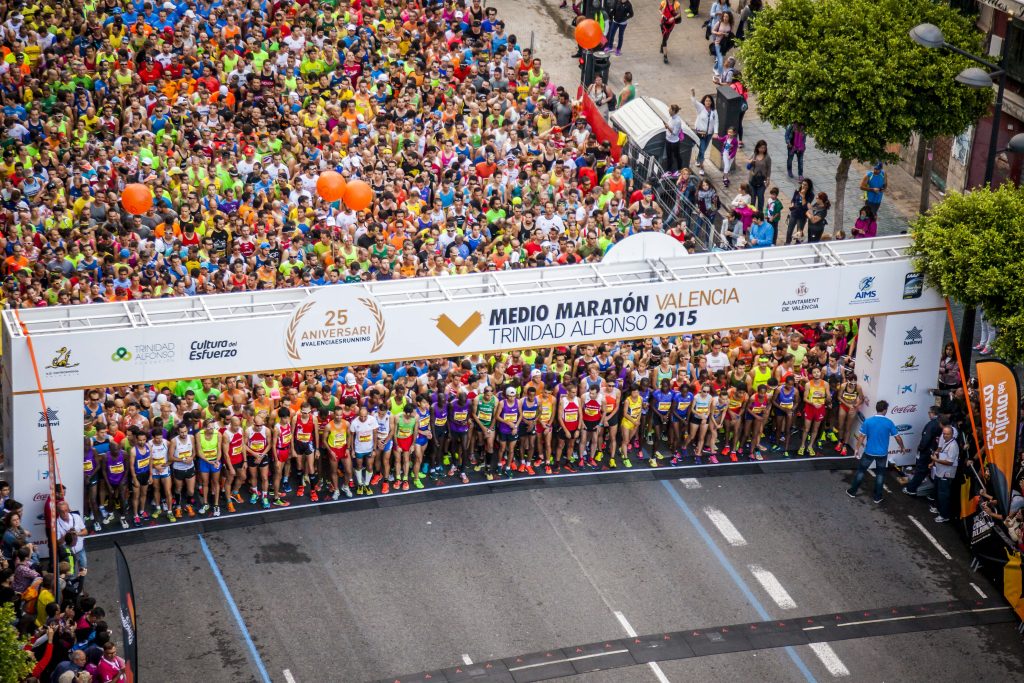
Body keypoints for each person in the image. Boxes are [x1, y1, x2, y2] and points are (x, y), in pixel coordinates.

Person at [847, 400, 908, 503]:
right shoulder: (889, 422)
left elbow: (861, 437)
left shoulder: (868, 421)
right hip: (882, 454)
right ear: (885, 410)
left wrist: (857, 449)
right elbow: (897, 438)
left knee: (861, 471)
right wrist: (902, 447)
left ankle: (852, 491)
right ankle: (877, 497)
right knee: (880, 475)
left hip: (869, 452)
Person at [930, 426, 960, 523]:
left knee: (943, 495)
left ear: (952, 434)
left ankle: (944, 515)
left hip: (946, 474)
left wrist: (935, 460)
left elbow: (950, 462)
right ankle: (939, 509)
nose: (945, 435)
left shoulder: (953, 446)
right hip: (940, 472)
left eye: (948, 434)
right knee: (939, 492)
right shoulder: (946, 442)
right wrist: (934, 462)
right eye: (944, 434)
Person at [690, 89, 719, 176]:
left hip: (709, 134)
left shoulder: (714, 111)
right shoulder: (701, 108)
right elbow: (694, 102)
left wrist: (716, 132)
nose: (708, 102)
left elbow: (716, 122)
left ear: (712, 102)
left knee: (704, 149)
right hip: (700, 133)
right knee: (702, 149)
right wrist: (693, 94)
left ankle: (698, 159)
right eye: (706, 101)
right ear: (704, 101)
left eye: (709, 101)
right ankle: (702, 167)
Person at [745, 140, 772, 212]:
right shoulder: (754, 154)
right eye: (761, 148)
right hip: (752, 179)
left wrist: (768, 179)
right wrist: (751, 162)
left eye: (764, 148)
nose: (763, 149)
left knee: (760, 197)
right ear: (757, 147)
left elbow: (769, 169)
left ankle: (760, 213)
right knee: (752, 198)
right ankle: (751, 213)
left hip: (762, 181)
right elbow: (748, 164)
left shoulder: (767, 158)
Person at [664, 104, 685, 174]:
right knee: (669, 156)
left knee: (677, 156)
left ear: (673, 111)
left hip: (674, 142)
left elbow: (675, 133)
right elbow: (669, 127)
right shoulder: (671, 118)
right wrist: (667, 127)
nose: (668, 110)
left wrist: (668, 127)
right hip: (668, 139)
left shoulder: (678, 121)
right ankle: (669, 170)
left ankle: (680, 169)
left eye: (670, 109)